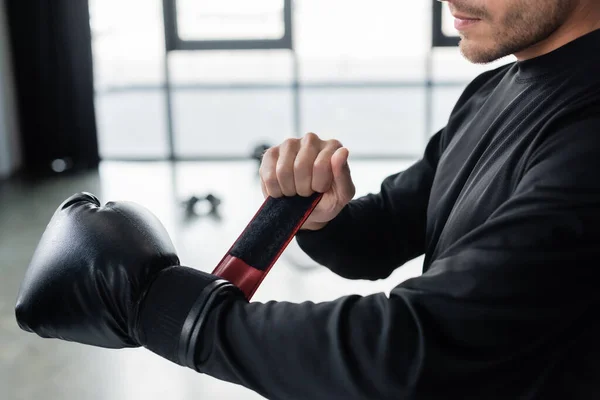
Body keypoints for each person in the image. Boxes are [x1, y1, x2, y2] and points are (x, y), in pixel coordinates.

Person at [14, 1, 600, 399]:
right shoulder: (495, 87)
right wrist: (319, 216)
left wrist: (157, 306)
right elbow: (386, 233)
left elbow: (414, 346)